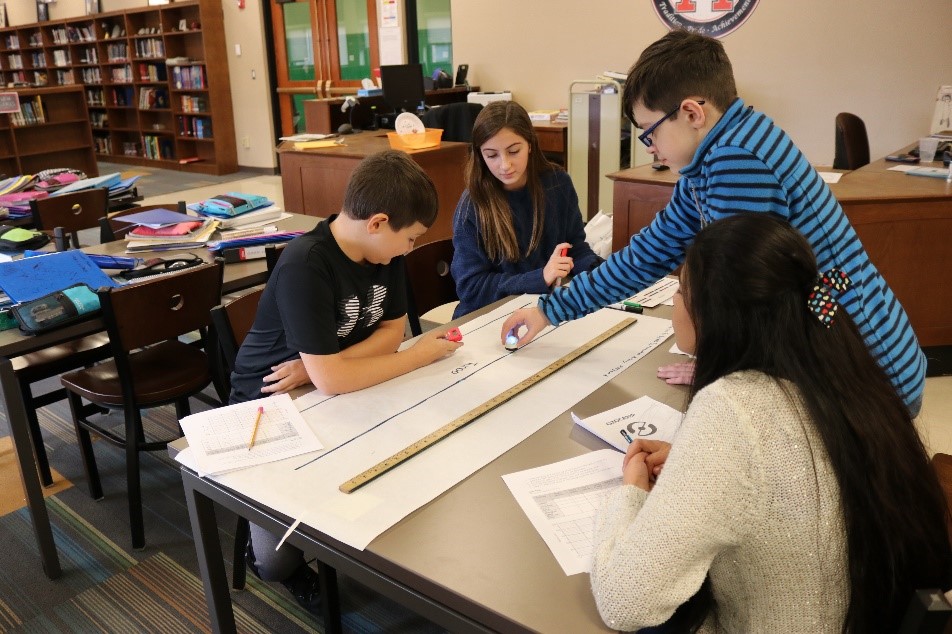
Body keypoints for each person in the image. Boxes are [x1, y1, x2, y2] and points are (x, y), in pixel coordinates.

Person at [499, 30, 926, 415]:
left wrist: (721, 371)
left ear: (691, 113)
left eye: (650, 132)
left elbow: (749, 302)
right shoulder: (717, 153)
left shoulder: (738, 160)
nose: (650, 148)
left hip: (868, 378)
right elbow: (648, 254)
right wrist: (550, 309)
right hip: (846, 356)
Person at [590, 213, 951, 633]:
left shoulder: (735, 408)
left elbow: (624, 602)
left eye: (682, 291)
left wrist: (631, 493)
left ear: (716, 314)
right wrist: (695, 465)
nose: (675, 302)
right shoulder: (843, 366)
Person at [230, 150, 462, 614]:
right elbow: (350, 372)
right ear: (377, 222)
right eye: (411, 238)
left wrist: (322, 366)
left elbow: (391, 331)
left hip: (324, 386)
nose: (411, 249)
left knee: (396, 473)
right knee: (276, 564)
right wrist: (409, 359)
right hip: (268, 407)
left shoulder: (383, 254)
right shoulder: (306, 262)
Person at [450, 100, 601, 317]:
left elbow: (575, 248)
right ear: (480, 155)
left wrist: (606, 272)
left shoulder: (557, 182)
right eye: (491, 155)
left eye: (513, 151)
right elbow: (472, 288)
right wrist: (540, 278)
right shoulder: (473, 205)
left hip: (544, 309)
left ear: (530, 144)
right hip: (488, 318)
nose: (505, 165)